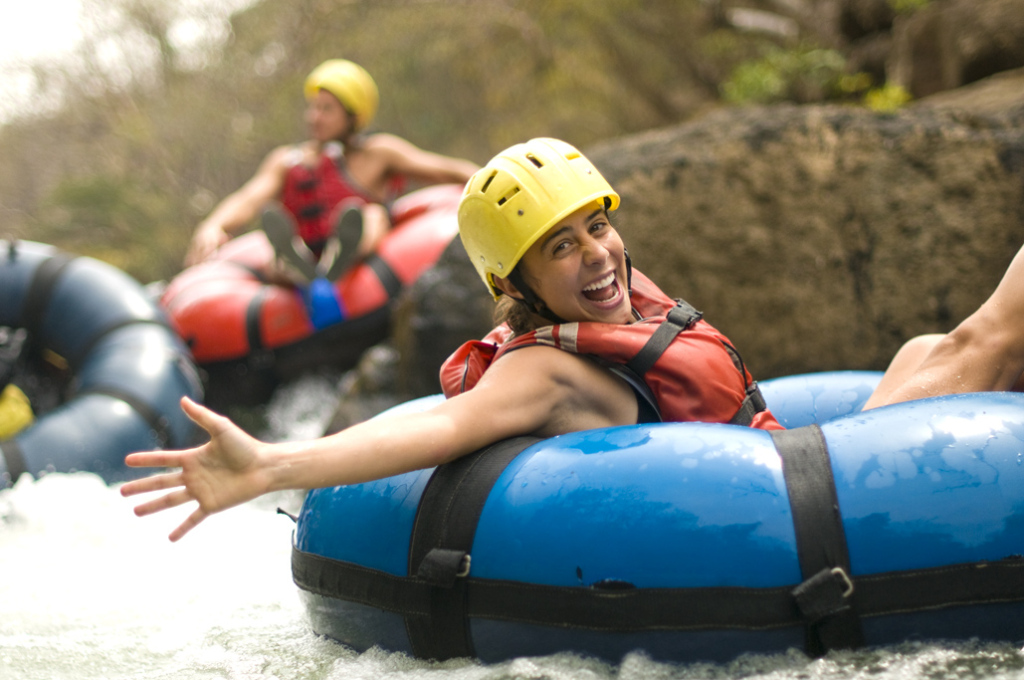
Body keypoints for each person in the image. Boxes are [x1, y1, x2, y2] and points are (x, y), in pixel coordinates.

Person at [122, 137, 783, 541]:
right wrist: (270, 465)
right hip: (743, 528)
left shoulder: (623, 300)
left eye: (598, 228)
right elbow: (435, 431)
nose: (597, 255)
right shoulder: (541, 372)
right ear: (518, 284)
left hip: (770, 483)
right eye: (562, 245)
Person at [183, 58, 479, 284]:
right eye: (312, 108)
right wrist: (214, 225)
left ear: (352, 116)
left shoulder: (378, 153)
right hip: (306, 249)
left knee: (371, 216)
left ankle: (341, 253)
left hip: (362, 254)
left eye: (326, 109)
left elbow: (445, 170)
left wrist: (495, 180)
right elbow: (249, 197)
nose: (314, 117)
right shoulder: (287, 160)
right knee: (271, 253)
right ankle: (296, 266)